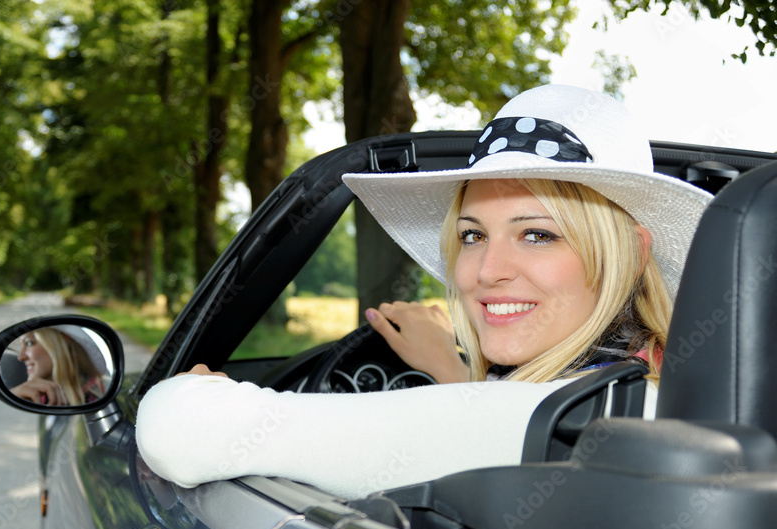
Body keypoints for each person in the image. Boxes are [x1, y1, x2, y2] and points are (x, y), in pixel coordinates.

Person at [135, 84, 714, 499]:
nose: (487, 271)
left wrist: (202, 395)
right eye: (471, 235)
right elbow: (477, 422)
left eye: (537, 234)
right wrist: (452, 369)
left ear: (632, 253)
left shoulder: (568, 422)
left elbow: (179, 431)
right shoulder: (661, 390)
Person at [12, 326, 107, 406]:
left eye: (29, 343)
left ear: (62, 342)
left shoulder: (94, 398)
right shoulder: (41, 395)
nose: (20, 357)